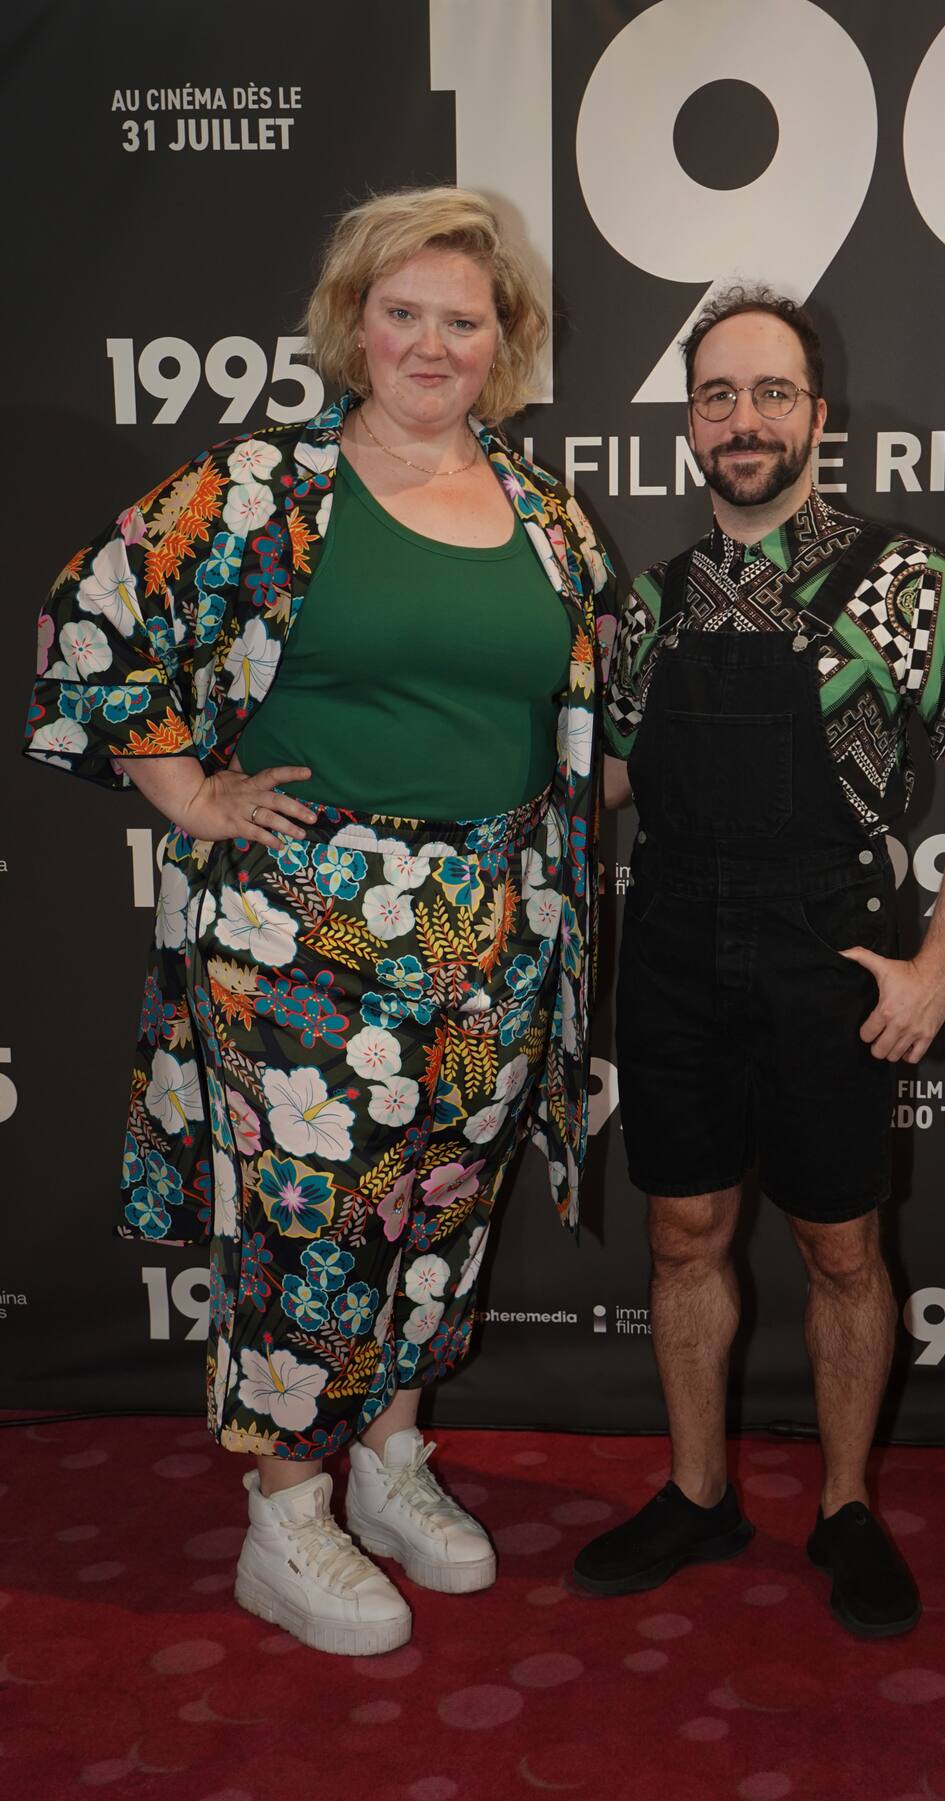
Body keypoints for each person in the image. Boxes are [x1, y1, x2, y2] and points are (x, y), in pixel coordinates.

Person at [24, 186, 615, 1656]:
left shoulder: (546, 517)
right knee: (314, 1230)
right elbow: (92, 612)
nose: (429, 341)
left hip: (499, 924)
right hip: (305, 930)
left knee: (443, 1210)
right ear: (353, 326)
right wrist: (187, 791)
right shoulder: (262, 488)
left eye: (461, 320)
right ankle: (286, 1516)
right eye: (400, 312)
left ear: (506, 343)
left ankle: (392, 1455)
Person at [576, 285, 945, 1638]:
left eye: (773, 393)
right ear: (690, 426)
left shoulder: (910, 586)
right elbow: (594, 789)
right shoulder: (643, 611)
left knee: (841, 1246)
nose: (746, 418)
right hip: (668, 955)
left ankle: (842, 1506)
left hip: (827, 953)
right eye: (719, 396)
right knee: (680, 1234)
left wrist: (934, 969)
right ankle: (700, 1489)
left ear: (818, 417)